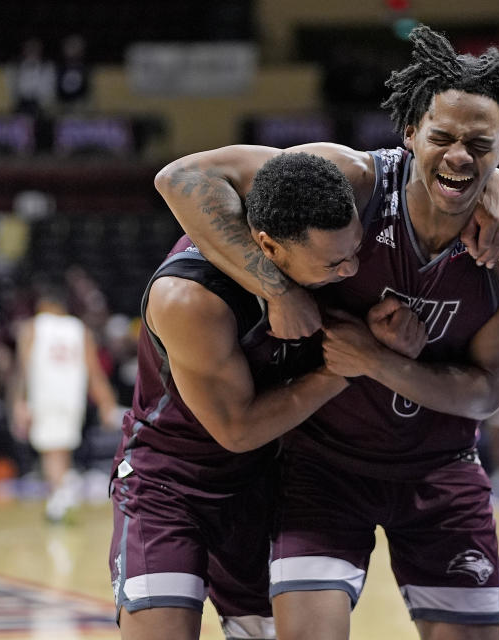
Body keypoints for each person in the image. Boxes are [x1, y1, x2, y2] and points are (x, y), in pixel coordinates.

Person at [154, 25, 499, 640]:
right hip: (322, 469)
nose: (457, 155)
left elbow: (485, 394)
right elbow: (183, 178)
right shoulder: (352, 184)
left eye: (479, 145)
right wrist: (278, 288)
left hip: (440, 470)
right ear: (409, 133)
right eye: (441, 137)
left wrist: (374, 358)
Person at [109, 152, 426, 640]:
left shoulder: (319, 226)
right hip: (174, 484)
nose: (352, 270)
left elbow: (424, 162)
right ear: (269, 249)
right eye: (334, 263)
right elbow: (239, 429)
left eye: (355, 250)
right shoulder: (190, 300)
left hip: (268, 483)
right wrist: (356, 364)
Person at [12, 284, 118, 522]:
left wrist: (19, 402)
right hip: (72, 399)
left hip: (45, 397)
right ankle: (63, 491)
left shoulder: (32, 328)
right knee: (61, 450)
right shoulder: (79, 329)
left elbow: (23, 371)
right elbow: (95, 372)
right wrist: (106, 403)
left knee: (52, 451)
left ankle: (62, 496)